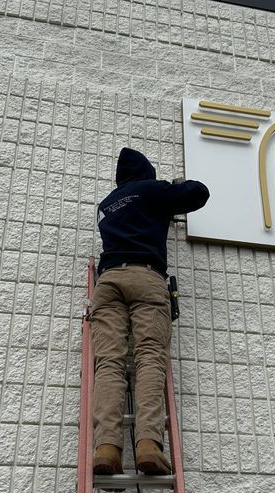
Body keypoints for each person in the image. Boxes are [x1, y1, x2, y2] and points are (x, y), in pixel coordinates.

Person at [91, 147, 209, 475]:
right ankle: (147, 445)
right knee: (149, 356)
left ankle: (107, 448)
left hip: (109, 280)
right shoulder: (150, 189)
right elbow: (198, 194)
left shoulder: (106, 205)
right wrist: (175, 185)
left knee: (110, 363)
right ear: (146, 172)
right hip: (145, 277)